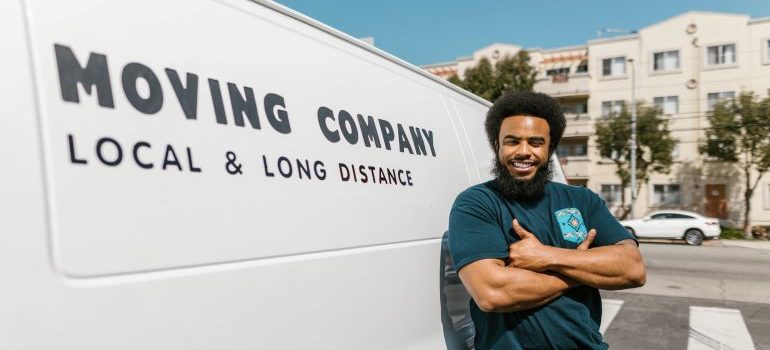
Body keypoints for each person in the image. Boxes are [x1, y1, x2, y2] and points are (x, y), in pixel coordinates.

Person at [448, 91, 646, 350]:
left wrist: (548, 256)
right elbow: (492, 292)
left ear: (549, 149)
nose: (523, 152)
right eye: (512, 141)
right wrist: (581, 273)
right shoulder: (477, 203)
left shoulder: (582, 200)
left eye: (535, 142)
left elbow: (633, 269)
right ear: (497, 146)